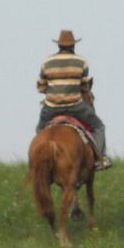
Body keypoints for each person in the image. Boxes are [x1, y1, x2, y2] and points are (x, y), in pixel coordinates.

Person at [36, 29, 112, 170]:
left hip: (51, 107)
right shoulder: (81, 61)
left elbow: (40, 87)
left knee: (40, 129)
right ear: (73, 46)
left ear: (59, 45)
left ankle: (38, 160)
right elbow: (84, 87)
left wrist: (54, 91)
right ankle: (101, 159)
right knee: (99, 126)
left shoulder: (47, 62)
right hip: (75, 106)